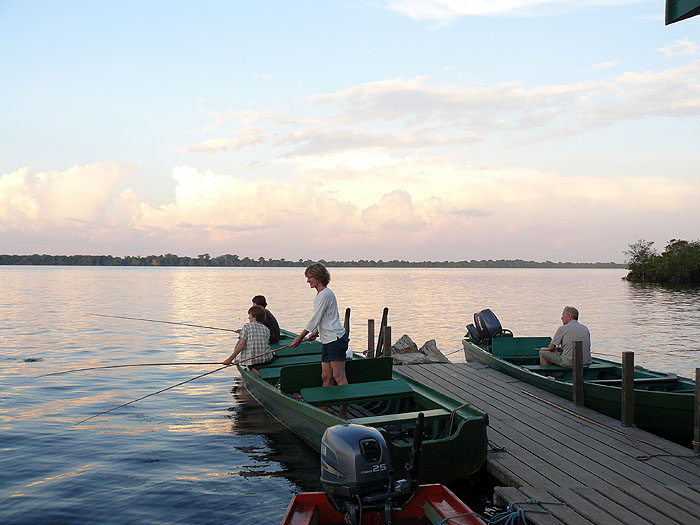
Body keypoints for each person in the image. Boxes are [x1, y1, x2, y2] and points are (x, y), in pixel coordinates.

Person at [290, 263, 349, 392]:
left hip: (335, 339)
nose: (308, 280)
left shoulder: (324, 294)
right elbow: (324, 318)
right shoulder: (321, 294)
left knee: (339, 377)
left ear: (318, 277)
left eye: (310, 277)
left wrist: (299, 338)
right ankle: (325, 407)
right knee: (326, 377)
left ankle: (342, 411)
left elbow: (315, 318)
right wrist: (316, 332)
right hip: (327, 339)